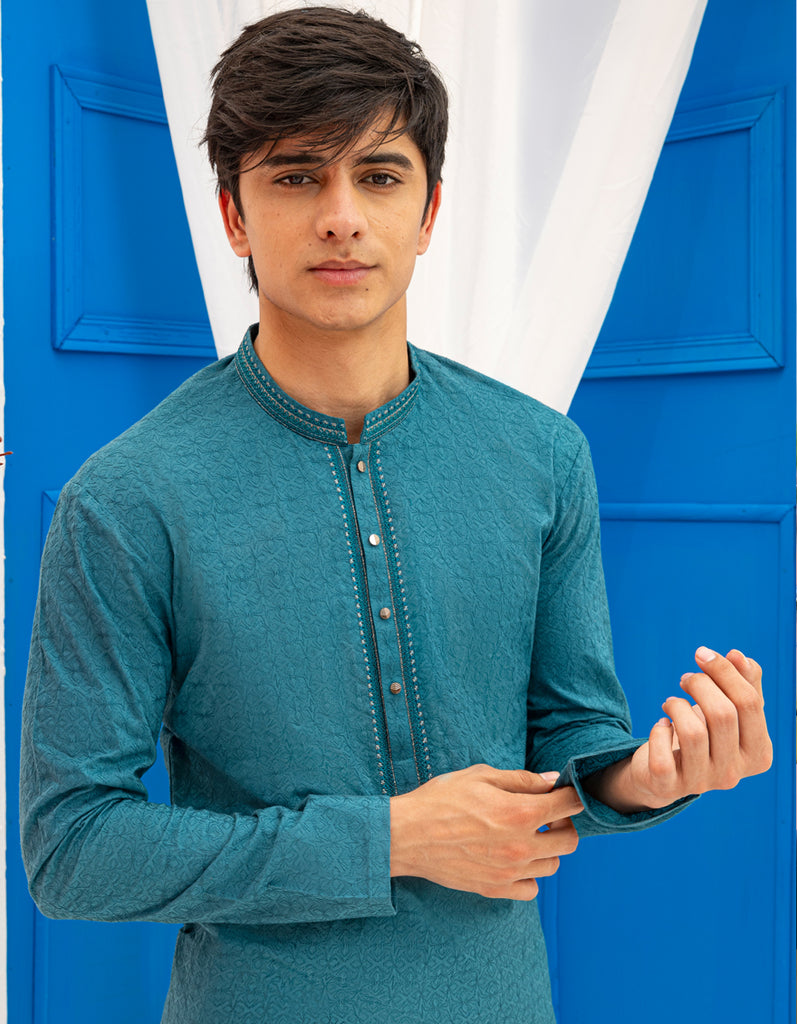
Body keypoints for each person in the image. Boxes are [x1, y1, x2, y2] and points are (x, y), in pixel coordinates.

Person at [20, 7, 772, 1023]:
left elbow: (571, 742)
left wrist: (644, 777)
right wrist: (390, 839)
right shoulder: (124, 500)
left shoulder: (543, 456)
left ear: (426, 212)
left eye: (377, 176)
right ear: (234, 216)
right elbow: (71, 849)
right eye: (297, 176)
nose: (341, 216)